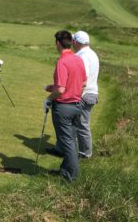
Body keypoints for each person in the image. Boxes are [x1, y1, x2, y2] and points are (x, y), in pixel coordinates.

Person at [43, 30, 87, 181]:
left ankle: (72, 177)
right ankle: (64, 171)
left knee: (67, 142)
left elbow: (61, 90)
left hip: (64, 108)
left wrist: (49, 99)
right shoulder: (78, 59)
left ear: (57, 43)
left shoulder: (62, 61)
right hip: (77, 105)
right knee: (71, 140)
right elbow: (83, 83)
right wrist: (54, 87)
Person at [72, 30, 99, 158]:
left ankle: (85, 154)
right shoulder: (92, 53)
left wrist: (76, 95)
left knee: (82, 124)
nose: (72, 43)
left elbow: (83, 78)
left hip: (84, 94)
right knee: (78, 123)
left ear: (76, 42)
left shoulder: (82, 56)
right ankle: (75, 150)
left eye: (73, 41)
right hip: (91, 93)